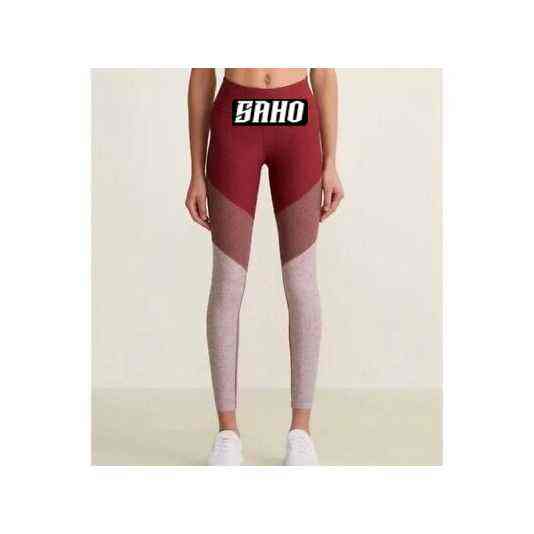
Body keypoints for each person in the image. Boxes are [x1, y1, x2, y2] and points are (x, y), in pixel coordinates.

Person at [186, 68, 344, 465]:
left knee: (301, 282)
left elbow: (324, 73)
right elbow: (201, 75)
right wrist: (195, 172)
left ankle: (301, 432)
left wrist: (331, 161)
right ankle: (227, 432)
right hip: (234, 123)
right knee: (227, 282)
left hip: (297, 125)